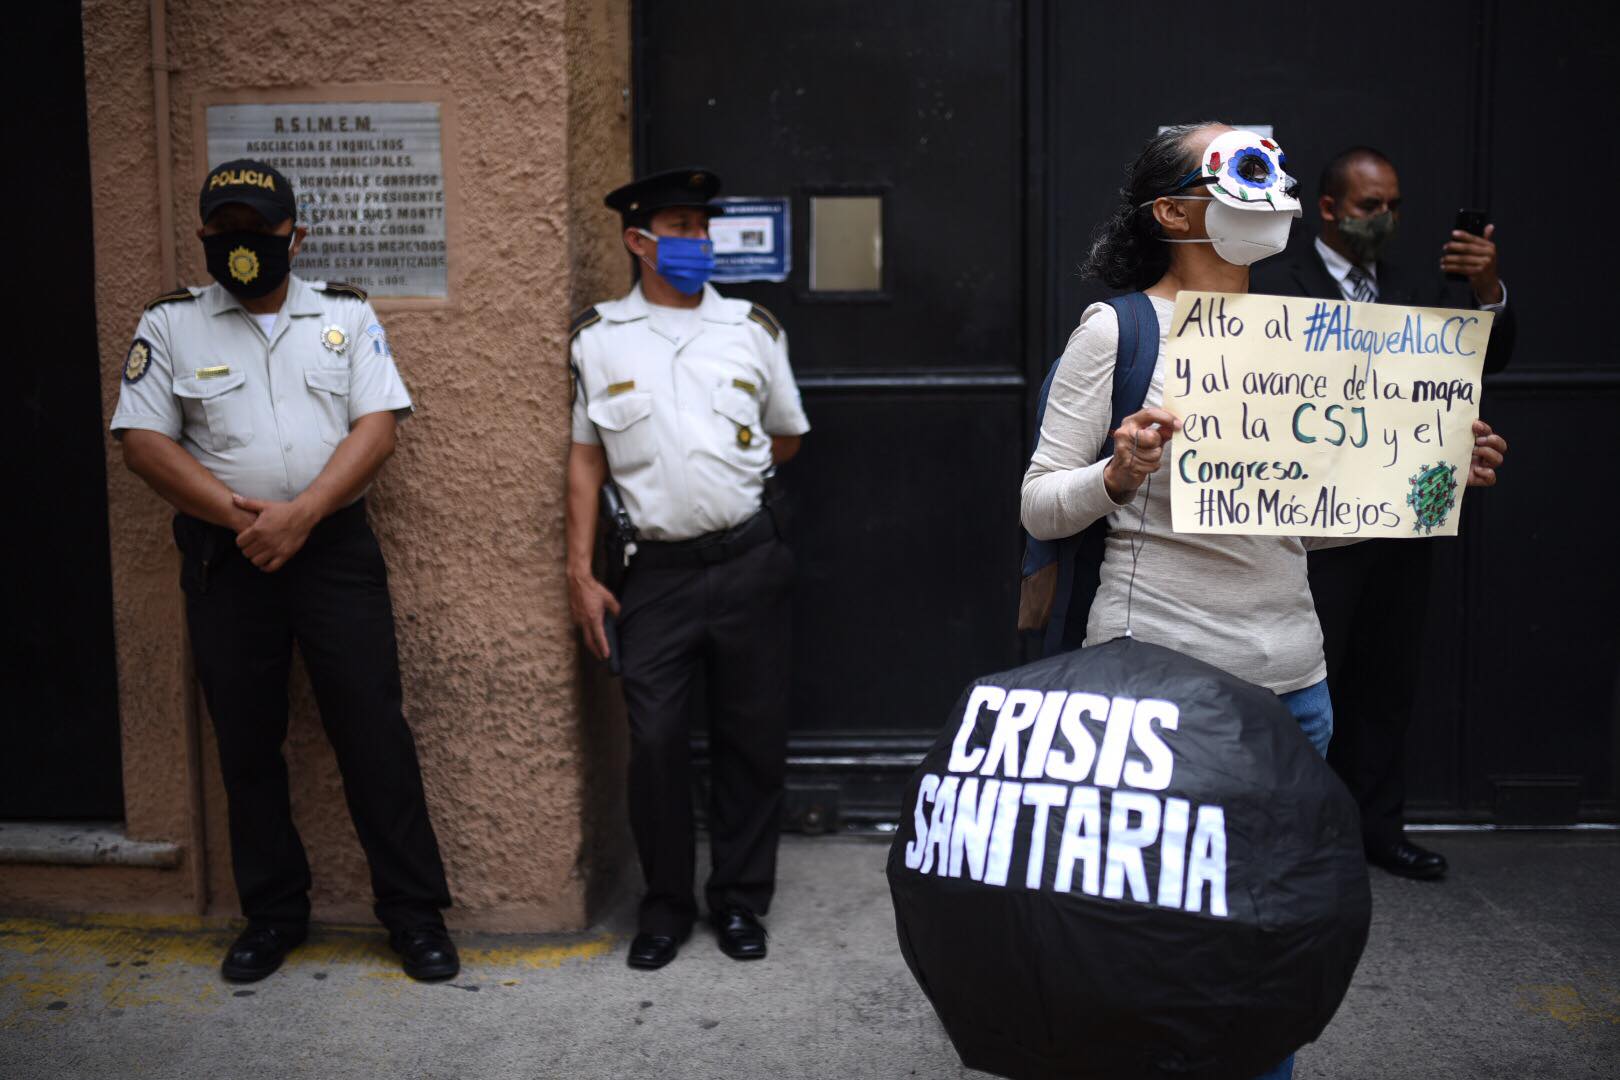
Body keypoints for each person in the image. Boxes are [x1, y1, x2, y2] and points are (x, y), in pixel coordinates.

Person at [1021, 124, 1507, 1080]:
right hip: (1162, 694)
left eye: (1276, 167)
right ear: (1173, 211)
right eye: (1248, 168)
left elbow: (1301, 523)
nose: (1275, 184)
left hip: (1296, 692)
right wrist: (1116, 475)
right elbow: (1038, 499)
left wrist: (1431, 474)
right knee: (1158, 949)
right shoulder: (1117, 331)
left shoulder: (1289, 333)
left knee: (1266, 947)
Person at [111, 160, 458, 983]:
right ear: (203, 238)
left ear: (294, 237)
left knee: (373, 733)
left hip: (333, 552)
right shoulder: (170, 325)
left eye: (256, 232)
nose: (240, 247)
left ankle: (413, 915)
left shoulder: (344, 314)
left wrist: (300, 518)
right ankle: (274, 915)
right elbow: (143, 443)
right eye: (223, 232)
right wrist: (244, 522)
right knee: (247, 742)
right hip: (227, 558)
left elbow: (377, 430)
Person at [566, 168, 811, 970]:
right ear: (638, 241)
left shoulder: (752, 329)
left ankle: (741, 903)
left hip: (748, 561)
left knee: (750, 741)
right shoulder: (600, 340)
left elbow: (786, 438)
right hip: (655, 578)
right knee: (658, 743)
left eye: (703, 229)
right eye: (680, 228)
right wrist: (579, 569)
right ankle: (664, 907)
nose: (697, 243)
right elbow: (586, 459)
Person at [1250, 147, 1515, 882]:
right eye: (1371, 205)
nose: (1387, 218)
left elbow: (1488, 359)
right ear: (1329, 208)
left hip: (1402, 523)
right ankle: (1305, 837)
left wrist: (1485, 285)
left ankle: (1378, 831)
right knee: (1307, 683)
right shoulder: (1273, 286)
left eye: (1395, 204)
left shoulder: (1423, 286)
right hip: (1312, 527)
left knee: (1386, 684)